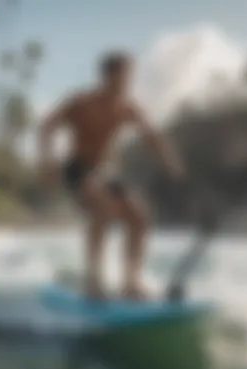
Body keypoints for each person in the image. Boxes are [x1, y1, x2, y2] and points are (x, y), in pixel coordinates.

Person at [39, 50, 185, 300]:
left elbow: (151, 136)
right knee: (102, 207)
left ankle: (131, 282)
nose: (125, 83)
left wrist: (170, 162)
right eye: (121, 77)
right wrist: (48, 164)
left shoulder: (127, 107)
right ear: (106, 76)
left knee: (139, 217)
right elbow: (47, 127)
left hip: (107, 172)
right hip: (78, 168)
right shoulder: (82, 103)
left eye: (129, 77)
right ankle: (93, 280)